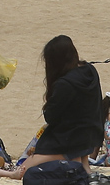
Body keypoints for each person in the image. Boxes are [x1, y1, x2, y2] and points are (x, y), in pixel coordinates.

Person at [20, 35, 102, 174]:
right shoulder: (90, 71)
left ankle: (74, 160)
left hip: (70, 139)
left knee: (25, 168)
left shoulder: (64, 84)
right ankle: (83, 162)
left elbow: (51, 116)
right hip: (91, 135)